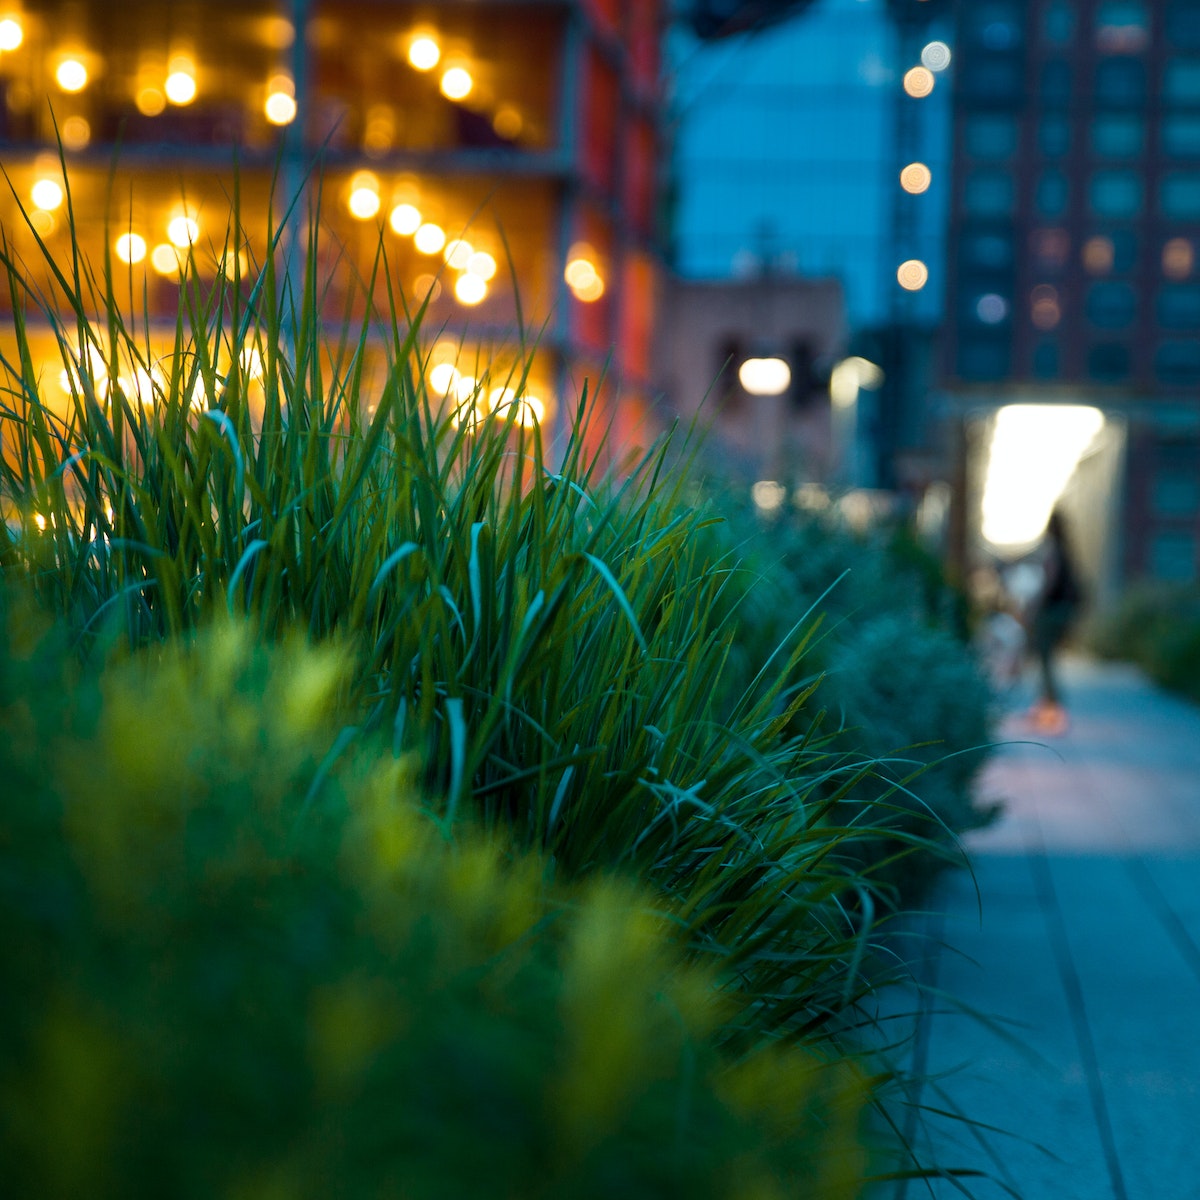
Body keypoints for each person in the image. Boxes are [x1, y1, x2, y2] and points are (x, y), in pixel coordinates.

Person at [1027, 508, 1083, 734]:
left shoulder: (1052, 551)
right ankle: (1049, 710)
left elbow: (1048, 583)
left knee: (1044, 660)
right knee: (1048, 660)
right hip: (1062, 611)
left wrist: (1034, 607)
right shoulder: (1067, 550)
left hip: (1050, 612)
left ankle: (1052, 712)